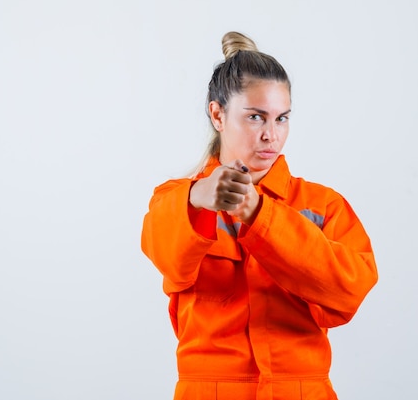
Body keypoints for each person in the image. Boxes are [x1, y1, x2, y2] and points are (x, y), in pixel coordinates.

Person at [140, 31, 378, 400]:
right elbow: (169, 258)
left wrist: (259, 213)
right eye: (255, 117)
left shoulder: (323, 204)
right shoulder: (175, 200)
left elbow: (348, 291)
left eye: (281, 118)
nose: (271, 135)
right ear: (218, 114)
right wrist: (199, 195)